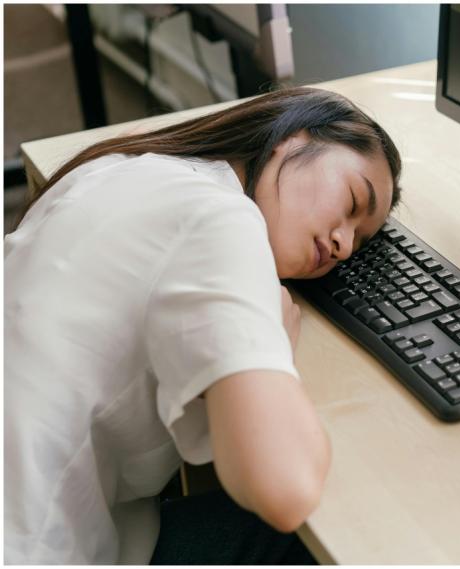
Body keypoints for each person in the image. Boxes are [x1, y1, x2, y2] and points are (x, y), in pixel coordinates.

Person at [4, 87, 403, 564]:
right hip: (34, 547)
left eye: (357, 242)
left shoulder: (123, 164)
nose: (342, 243)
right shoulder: (220, 222)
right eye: (353, 201)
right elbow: (284, 489)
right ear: (294, 140)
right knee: (362, 531)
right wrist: (275, 344)